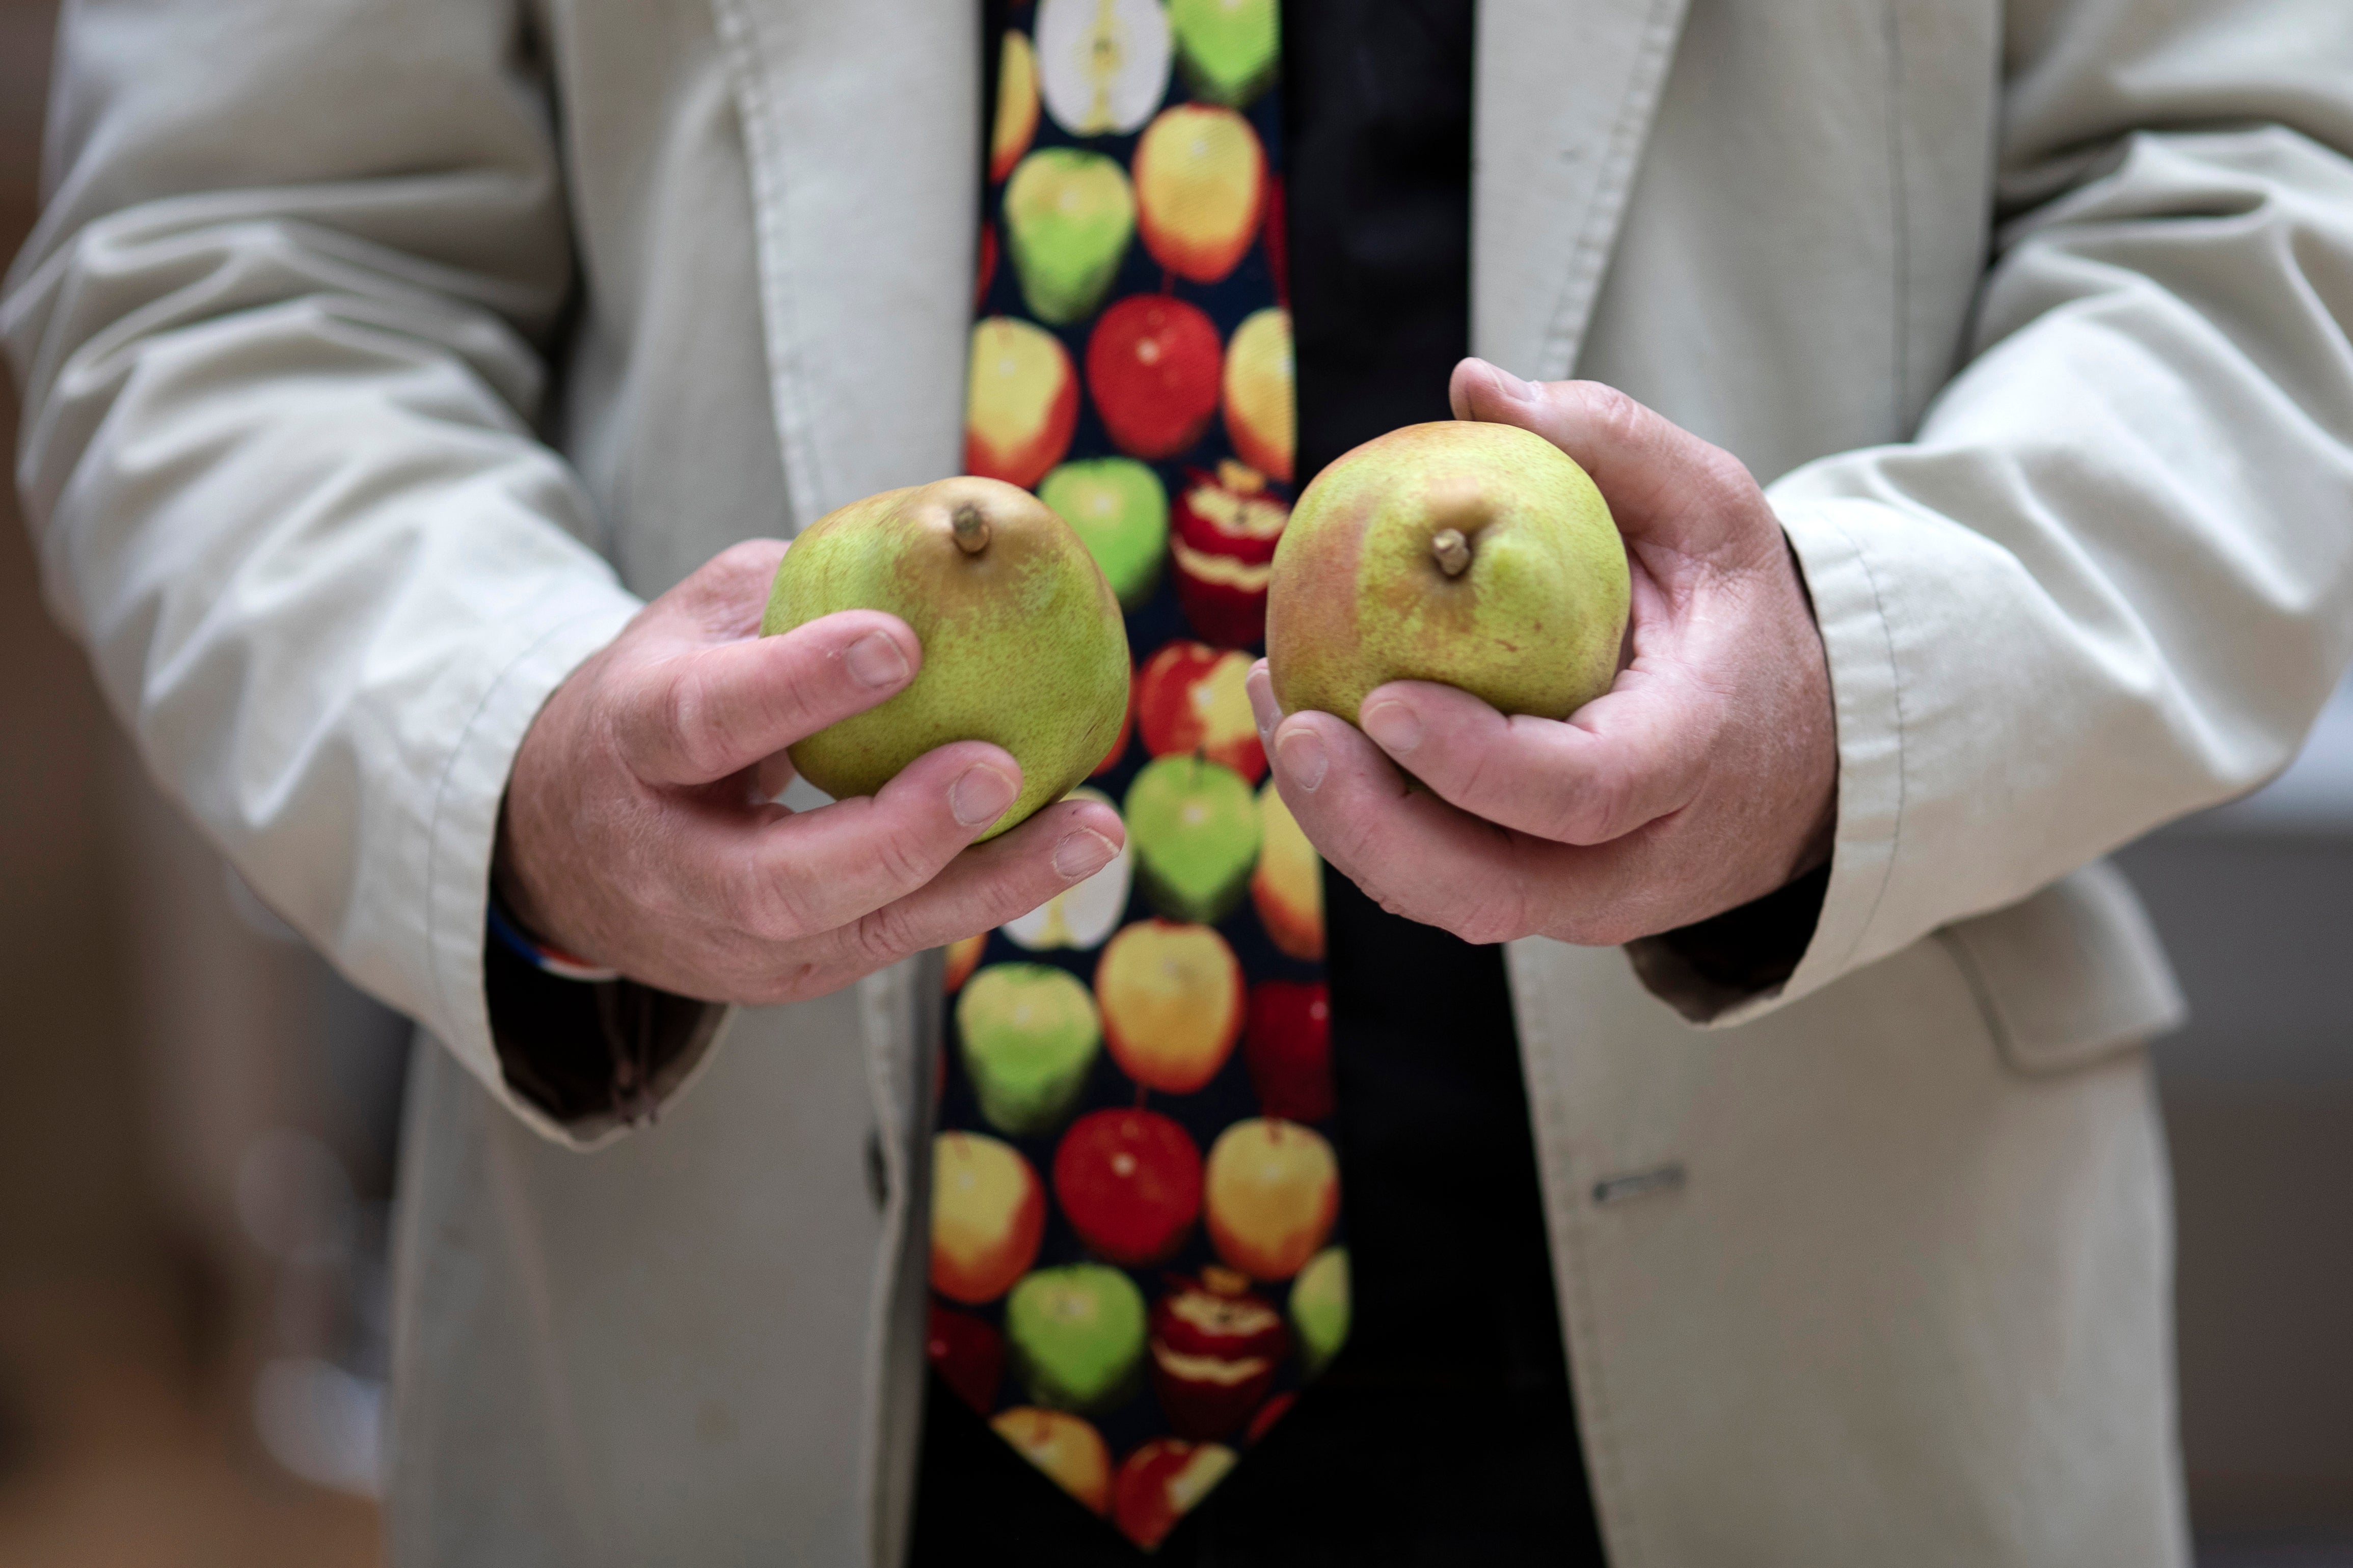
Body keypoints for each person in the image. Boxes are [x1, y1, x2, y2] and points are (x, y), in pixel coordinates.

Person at [7, 1, 2351, 1564]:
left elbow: (2270, 201)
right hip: (738, 1333)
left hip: (1807, 1306)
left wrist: (1869, 674)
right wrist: (505, 747)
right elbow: (240, 265)